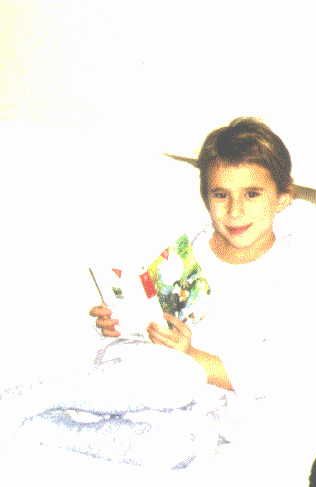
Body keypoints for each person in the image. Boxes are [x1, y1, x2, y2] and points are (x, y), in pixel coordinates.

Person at [90, 117, 295, 394]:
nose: (235, 211)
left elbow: (271, 373)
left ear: (282, 198)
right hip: (153, 376)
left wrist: (189, 355)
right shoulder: (189, 249)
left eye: (251, 194)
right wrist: (119, 321)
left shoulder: (289, 271)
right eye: (221, 195)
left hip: (212, 395)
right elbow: (153, 315)